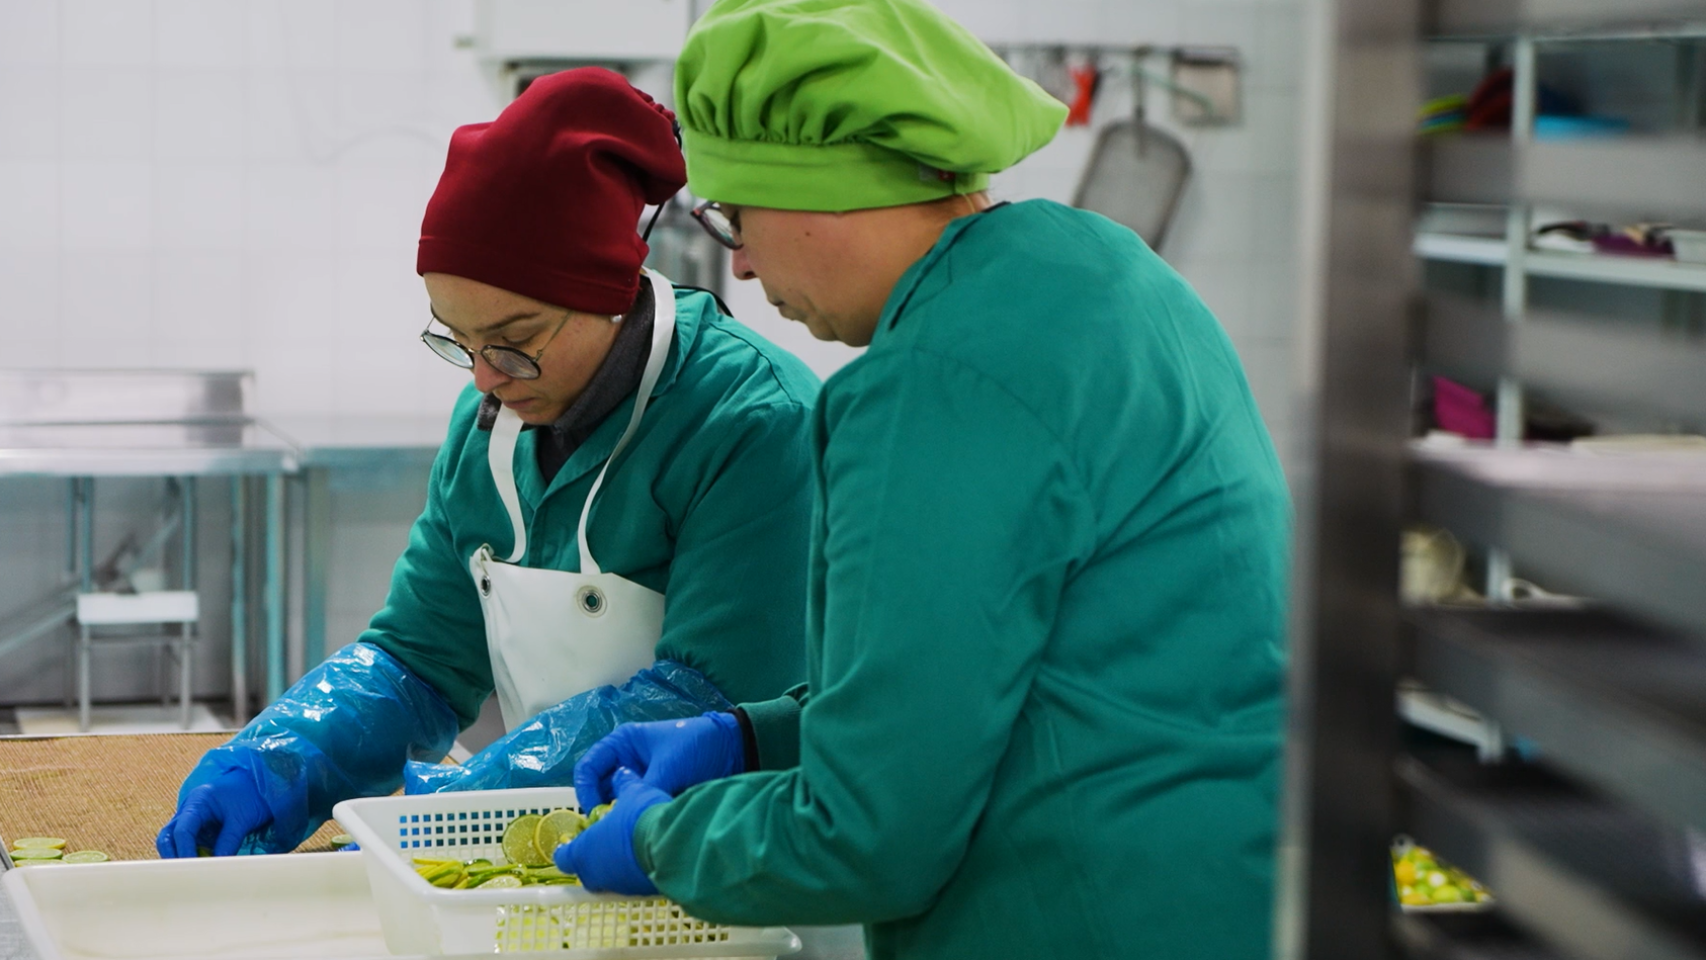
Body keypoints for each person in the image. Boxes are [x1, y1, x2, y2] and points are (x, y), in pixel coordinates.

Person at [555, 2, 1292, 959]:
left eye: (737, 216)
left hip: (1076, 918)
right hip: (1221, 900)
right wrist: (755, 738)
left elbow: (866, 835)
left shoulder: (932, 385)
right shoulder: (1104, 270)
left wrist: (664, 842)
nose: (744, 262)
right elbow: (992, 684)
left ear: (819, 189)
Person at [157, 68, 819, 858]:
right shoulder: (492, 432)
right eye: (458, 340)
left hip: (719, 859)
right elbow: (418, 660)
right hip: (555, 860)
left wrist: (465, 811)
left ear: (609, 293)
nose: (484, 378)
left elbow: (710, 706)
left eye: (512, 342)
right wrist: (281, 759)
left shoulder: (751, 422)